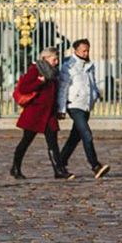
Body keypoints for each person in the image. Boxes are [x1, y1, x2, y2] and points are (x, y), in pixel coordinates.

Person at [11, 48, 74, 180]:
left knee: (53, 143)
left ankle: (58, 170)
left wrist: (59, 109)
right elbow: (24, 88)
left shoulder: (54, 72)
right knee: (26, 141)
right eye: (54, 59)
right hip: (35, 112)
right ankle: (15, 167)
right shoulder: (35, 69)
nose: (56, 62)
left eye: (57, 59)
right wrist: (39, 82)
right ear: (45, 58)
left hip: (49, 113)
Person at [58, 39, 110, 178]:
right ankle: (95, 166)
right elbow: (63, 89)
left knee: (74, 138)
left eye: (88, 50)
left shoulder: (89, 65)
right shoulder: (68, 66)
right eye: (83, 51)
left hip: (86, 104)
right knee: (87, 134)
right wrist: (61, 109)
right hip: (74, 104)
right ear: (75, 50)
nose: (86, 53)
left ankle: (60, 163)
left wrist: (95, 94)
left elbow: (91, 82)